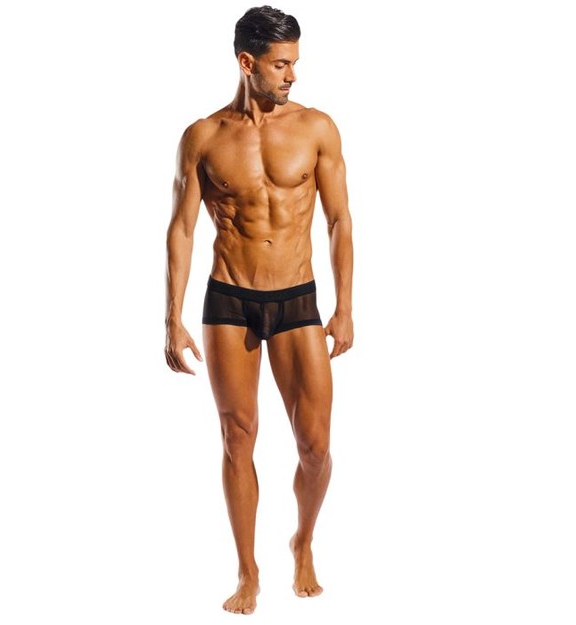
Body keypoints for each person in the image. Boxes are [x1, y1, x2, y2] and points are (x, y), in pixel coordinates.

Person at [164, 5, 353, 615]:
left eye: (295, 62)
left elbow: (339, 219)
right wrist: (172, 317)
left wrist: (345, 307)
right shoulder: (204, 136)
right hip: (229, 299)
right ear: (247, 63)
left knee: (316, 447)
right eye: (280, 65)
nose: (292, 75)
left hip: (297, 298)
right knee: (237, 437)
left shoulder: (317, 128)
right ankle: (247, 570)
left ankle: (303, 540)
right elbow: (182, 228)